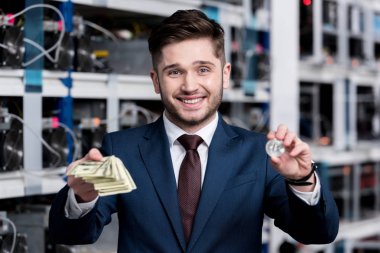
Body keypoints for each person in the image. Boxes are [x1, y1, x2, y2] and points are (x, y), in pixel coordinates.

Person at [49, 9, 339, 253]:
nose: (189, 85)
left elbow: (317, 233)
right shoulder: (122, 148)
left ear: (224, 74)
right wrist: (83, 198)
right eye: (174, 71)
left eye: (203, 69)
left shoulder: (258, 153)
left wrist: (302, 180)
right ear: (156, 80)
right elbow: (71, 235)